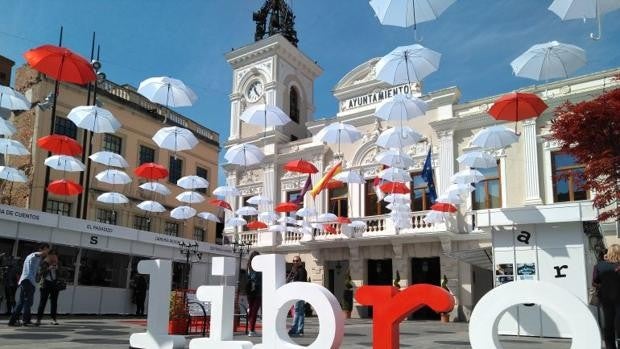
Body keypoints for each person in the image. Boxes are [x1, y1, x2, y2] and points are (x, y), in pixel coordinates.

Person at [8, 243, 50, 327]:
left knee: (21, 302)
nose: (47, 251)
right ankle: (25, 320)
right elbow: (39, 254)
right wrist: (46, 254)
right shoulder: (35, 255)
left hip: (26, 280)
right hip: (28, 281)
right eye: (46, 249)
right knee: (28, 301)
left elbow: (37, 272)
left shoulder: (34, 258)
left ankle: (13, 321)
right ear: (40, 249)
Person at [593, 244, 620, 349]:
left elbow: (595, 282)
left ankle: (610, 347)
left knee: (608, 326)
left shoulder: (599, 265)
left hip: (606, 299)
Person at [35, 250, 61, 326]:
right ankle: (38, 319)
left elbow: (64, 273)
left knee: (54, 302)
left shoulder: (58, 263)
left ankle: (54, 319)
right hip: (45, 283)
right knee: (43, 302)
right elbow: (40, 273)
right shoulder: (45, 263)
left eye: (55, 255)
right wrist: (48, 268)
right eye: (52, 255)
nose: (54, 256)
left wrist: (58, 269)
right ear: (49, 255)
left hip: (55, 284)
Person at [286, 255, 307, 337]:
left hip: (299, 293)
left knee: (298, 311)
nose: (295, 262)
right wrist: (292, 272)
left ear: (300, 261)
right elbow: (287, 280)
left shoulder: (302, 270)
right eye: (294, 261)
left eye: (297, 261)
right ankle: (299, 330)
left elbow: (300, 282)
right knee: (300, 312)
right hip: (296, 293)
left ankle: (295, 329)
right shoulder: (295, 270)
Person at [246, 251, 262, 337]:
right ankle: (251, 330)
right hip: (257, 292)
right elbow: (255, 278)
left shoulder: (248, 266)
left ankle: (251, 329)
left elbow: (248, 278)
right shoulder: (258, 267)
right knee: (254, 311)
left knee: (251, 310)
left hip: (249, 291)